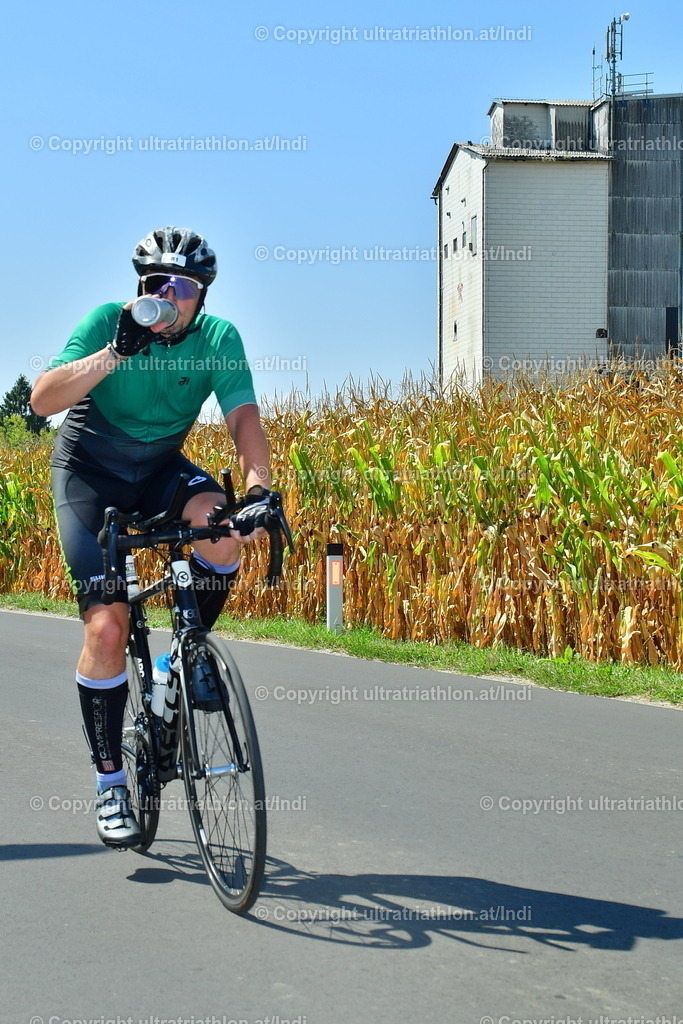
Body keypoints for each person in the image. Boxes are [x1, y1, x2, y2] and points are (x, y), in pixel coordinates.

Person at [31, 226, 272, 849]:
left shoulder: (218, 338)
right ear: (139, 286)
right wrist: (116, 351)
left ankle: (180, 660)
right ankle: (111, 782)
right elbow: (42, 399)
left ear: (203, 296)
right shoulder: (107, 322)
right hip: (89, 472)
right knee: (107, 629)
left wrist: (257, 490)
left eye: (183, 287)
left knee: (222, 532)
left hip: (160, 467)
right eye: (155, 283)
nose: (167, 295)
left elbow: (244, 419)